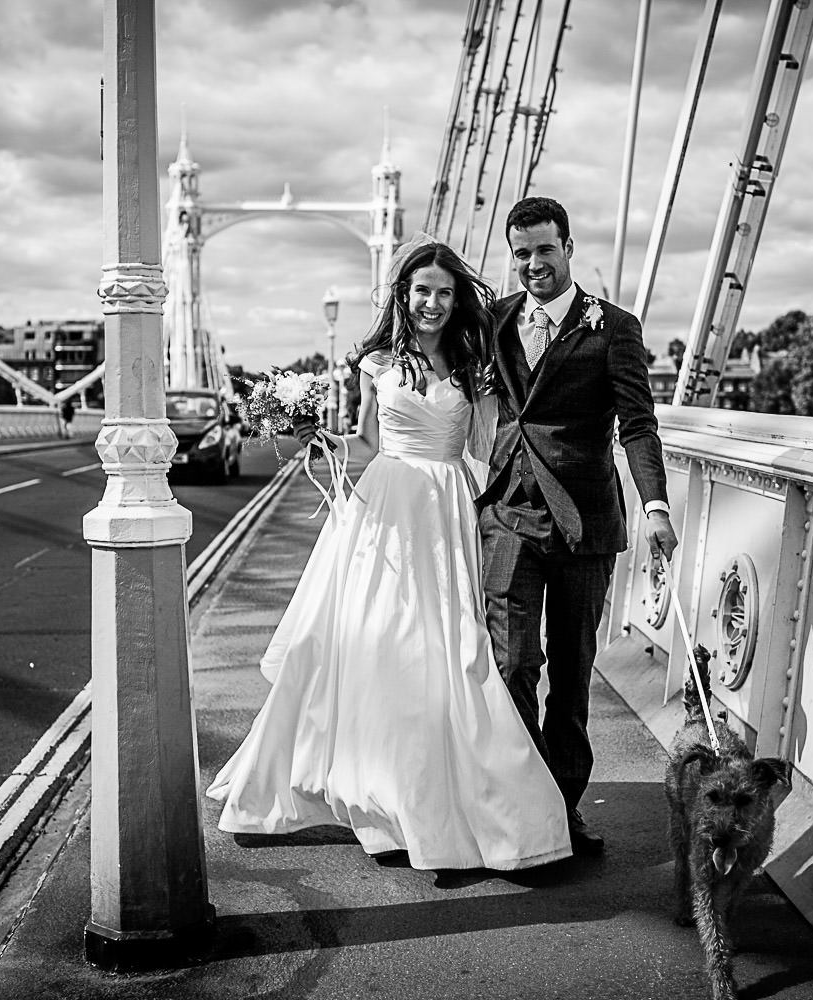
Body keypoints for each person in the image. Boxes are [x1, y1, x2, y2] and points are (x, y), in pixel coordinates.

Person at [205, 238, 572, 871]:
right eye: (422, 290)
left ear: (459, 300)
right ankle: (394, 809)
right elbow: (368, 442)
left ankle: (461, 808)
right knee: (389, 650)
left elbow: (488, 438)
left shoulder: (472, 360)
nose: (432, 302)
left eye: (445, 292)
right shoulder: (375, 362)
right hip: (387, 511)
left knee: (455, 656)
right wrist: (311, 435)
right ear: (402, 294)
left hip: (450, 506)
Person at [476, 196, 679, 855]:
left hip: (585, 519)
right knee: (510, 663)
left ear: (567, 247)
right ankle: (519, 805)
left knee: (571, 670)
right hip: (508, 509)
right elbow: (427, 358)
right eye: (521, 253)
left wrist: (655, 506)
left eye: (544, 249)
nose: (533, 263)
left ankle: (560, 812)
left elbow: (639, 425)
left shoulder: (614, 326)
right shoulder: (494, 320)